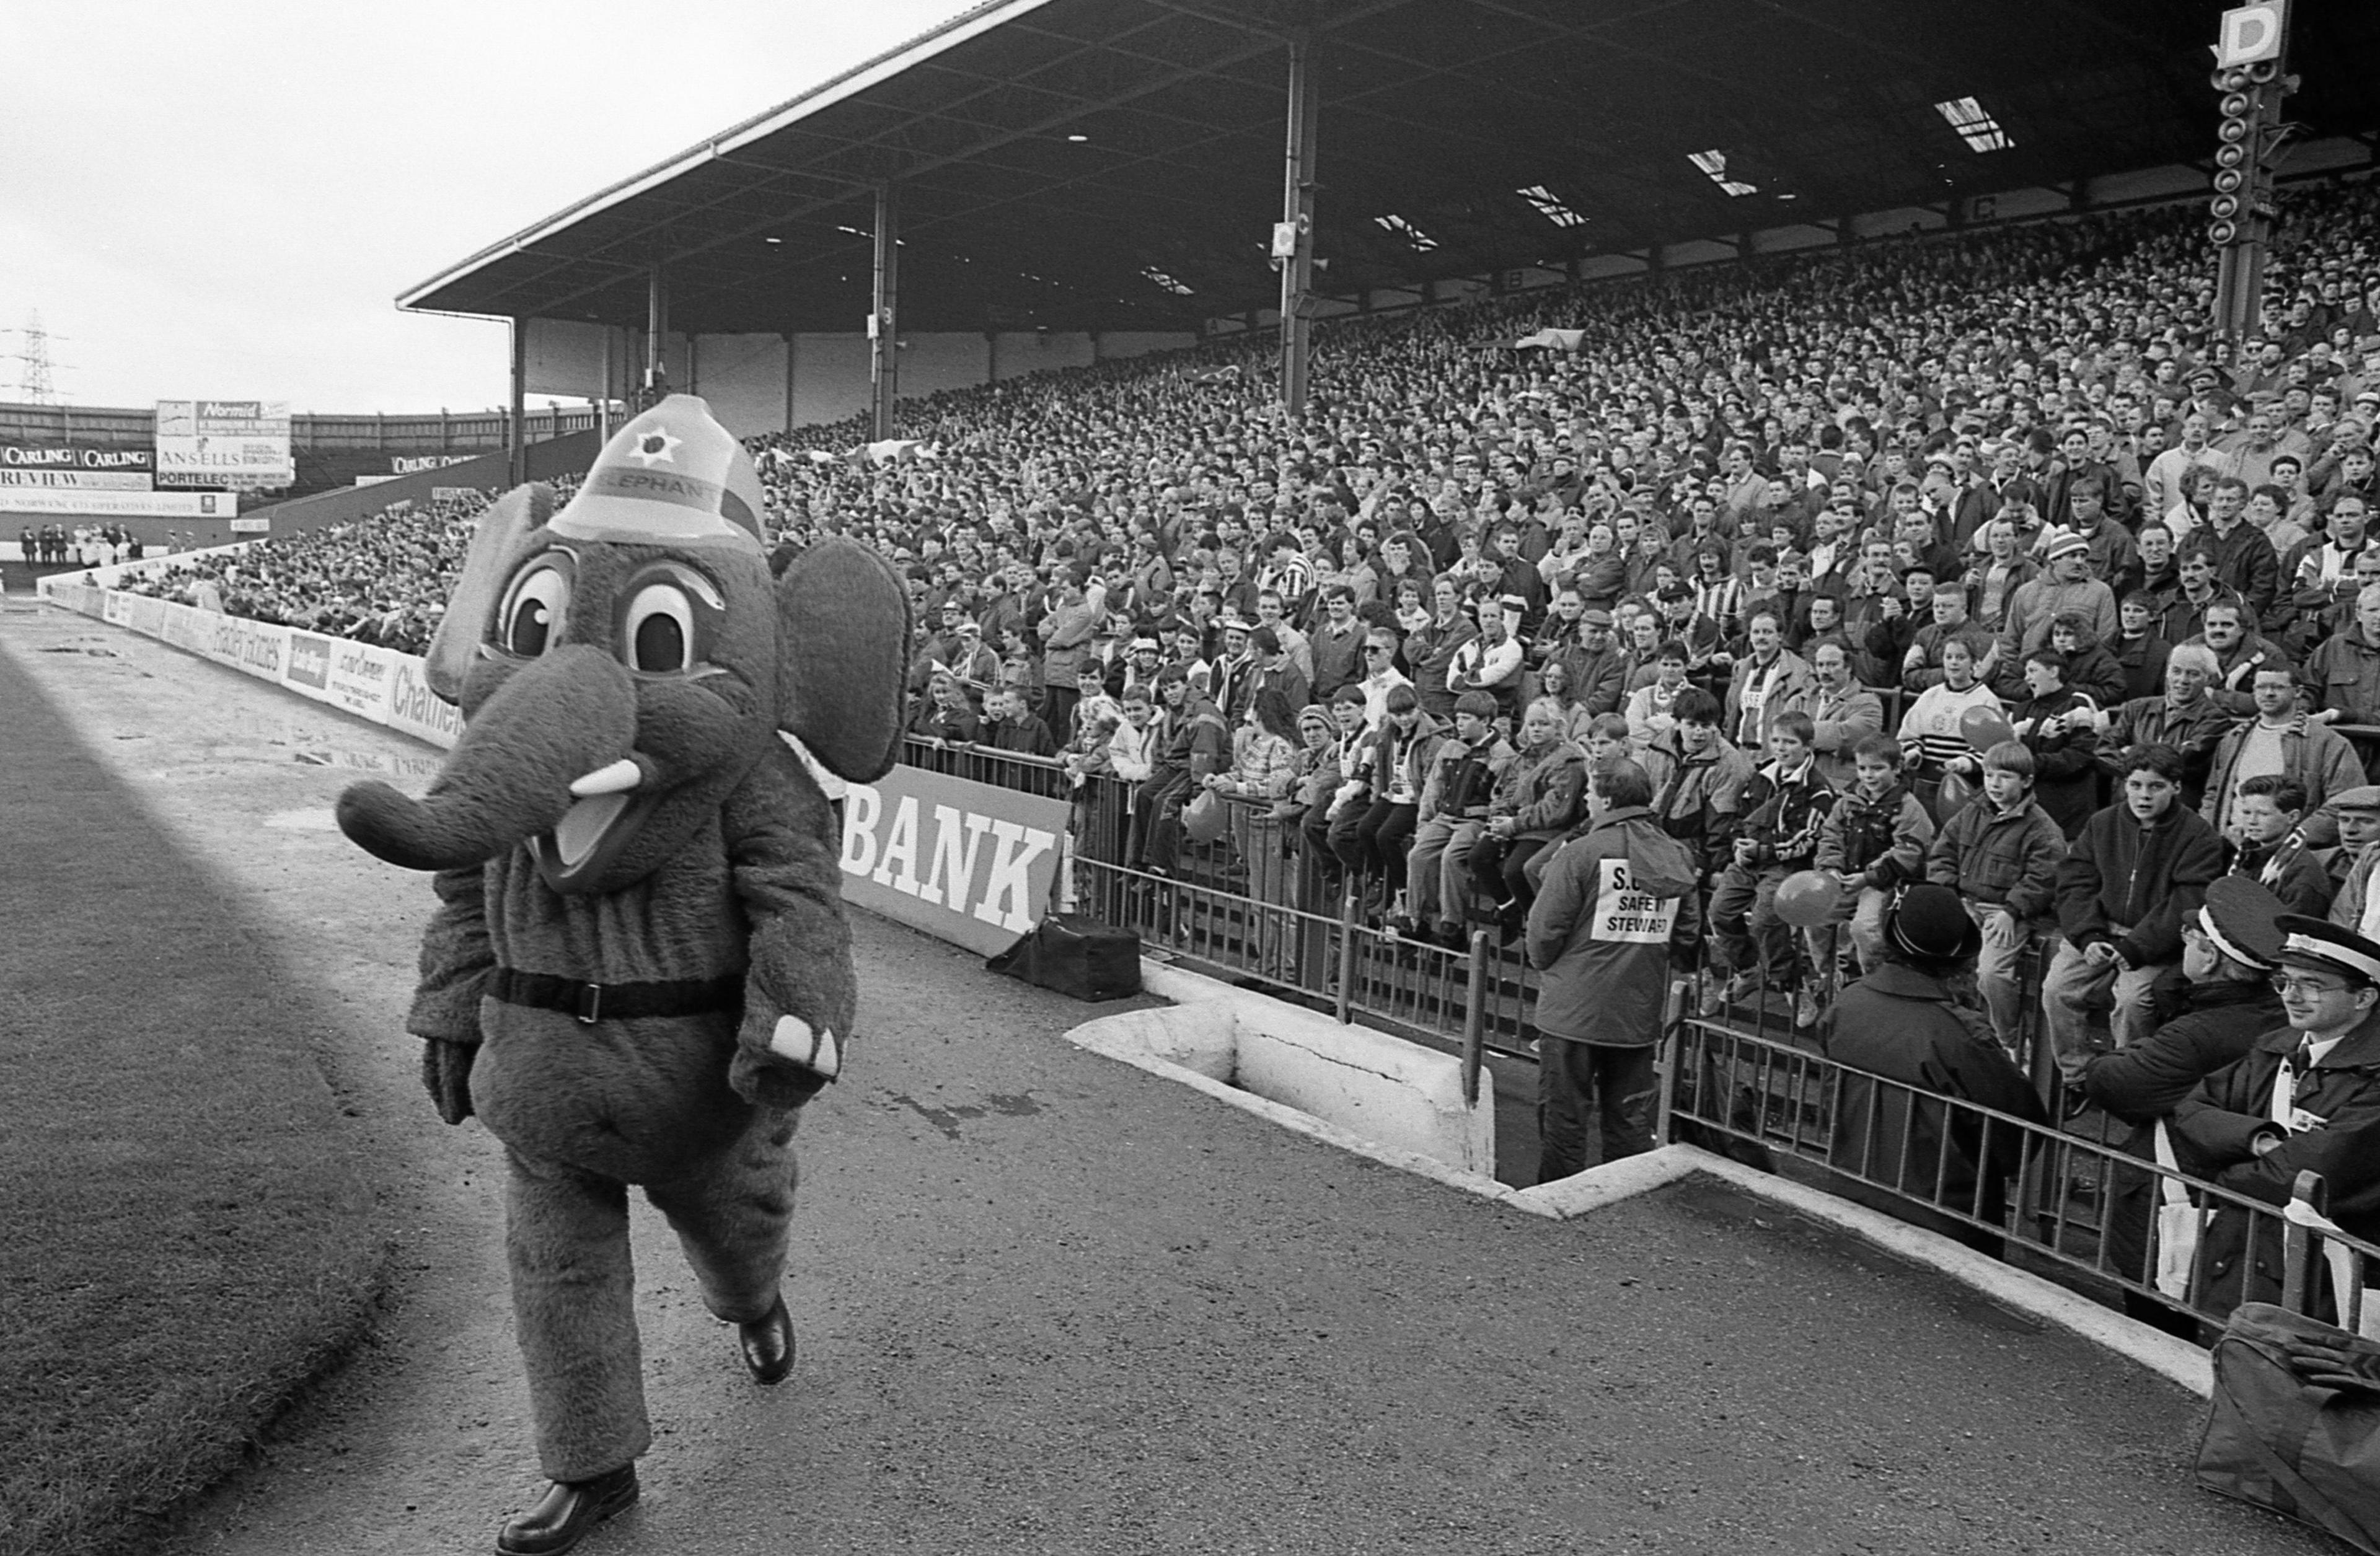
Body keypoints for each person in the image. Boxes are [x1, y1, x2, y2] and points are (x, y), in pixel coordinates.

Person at [2078, 879, 2286, 1334]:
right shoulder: (2272, 1014)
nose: (2183, 944)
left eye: (2191, 940)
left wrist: (2118, 1055)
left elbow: (2110, 1081)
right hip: (2230, 1197)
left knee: (2159, 1319)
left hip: (2174, 1197)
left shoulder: (2195, 1036)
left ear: (2210, 957)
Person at [1818, 883, 2049, 1256]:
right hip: (1947, 1220)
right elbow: (2020, 1130)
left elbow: (1832, 1100)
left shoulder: (1847, 1004)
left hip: (1853, 1192)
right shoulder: (1960, 1035)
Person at [2174, 916, 2380, 1322]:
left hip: (2327, 1293)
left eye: (2312, 985)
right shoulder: (2275, 1049)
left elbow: (2308, 1176)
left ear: (2364, 997)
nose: (2292, 995)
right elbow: (2192, 1113)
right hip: (2243, 1262)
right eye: (2284, 981)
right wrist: (2258, 1140)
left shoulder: (2372, 1073)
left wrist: (2221, 1172)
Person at [1525, 757, 1702, 1180]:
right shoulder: (1676, 855)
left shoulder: (1581, 852)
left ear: (1606, 799)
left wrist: (1552, 968)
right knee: (1629, 1123)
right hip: (1637, 1013)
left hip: (1573, 1011)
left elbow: (1543, 931)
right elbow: (1688, 932)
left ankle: (1556, 1199)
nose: (1584, 798)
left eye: (1589, 792)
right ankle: (1622, 1206)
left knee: (1564, 1120)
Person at [2043, 744, 2226, 1090]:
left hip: (2153, 942)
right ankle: (2078, 1077)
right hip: (2099, 930)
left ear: (2175, 787)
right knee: (2057, 989)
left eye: (2156, 787)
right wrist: (2088, 936)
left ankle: (2127, 1084)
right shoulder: (2103, 823)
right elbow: (2076, 882)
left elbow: (2186, 901)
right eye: (2135, 785)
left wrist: (2136, 948)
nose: (2144, 796)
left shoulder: (2198, 834)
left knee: (2133, 1002)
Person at [1926, 741, 2068, 1055]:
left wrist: (2012, 910)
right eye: (1990, 775)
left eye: (2005, 777)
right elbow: (1942, 854)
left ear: (2027, 781)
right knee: (1927, 957)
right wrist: (1951, 895)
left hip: (2006, 912)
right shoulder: (1972, 810)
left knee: (1992, 973)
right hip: (1962, 902)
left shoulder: (2042, 829)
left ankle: (2010, 1040)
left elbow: (2044, 878)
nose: (1995, 784)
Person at [1704, 709, 1835, 1026]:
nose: (1781, 748)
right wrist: (1738, 845)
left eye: (1789, 742)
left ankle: (1790, 983)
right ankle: (1749, 970)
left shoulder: (1817, 789)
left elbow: (1807, 840)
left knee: (1765, 918)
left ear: (1808, 747)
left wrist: (1763, 850)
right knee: (1720, 911)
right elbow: (1741, 816)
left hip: (1786, 865)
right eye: (1775, 740)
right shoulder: (1761, 776)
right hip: (1749, 859)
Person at [1810, 734, 1934, 978]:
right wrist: (1831, 868)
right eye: (1862, 768)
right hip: (1848, 877)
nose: (1869, 775)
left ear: (1897, 768)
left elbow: (1908, 853)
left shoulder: (1908, 807)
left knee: (1865, 928)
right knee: (1815, 914)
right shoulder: (1849, 800)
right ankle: (1829, 976)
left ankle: (1875, 979)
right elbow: (1830, 834)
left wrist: (1868, 878)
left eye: (1878, 769)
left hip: (1886, 884)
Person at [2201, 664, 2365, 848]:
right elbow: (2213, 794)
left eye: (2278, 687)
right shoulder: (2235, 738)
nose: (2268, 693)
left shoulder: (2327, 743)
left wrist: (2293, 840)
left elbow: (2344, 801)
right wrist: (2213, 833)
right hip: (2231, 846)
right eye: (2261, 687)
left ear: (2298, 692)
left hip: (2292, 854)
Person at [1399, 691, 1511, 947]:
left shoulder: (1502, 754)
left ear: (1484, 721)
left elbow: (1501, 796)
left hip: (1475, 818)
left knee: (1452, 857)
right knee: (1418, 854)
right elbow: (1433, 788)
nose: (1459, 723)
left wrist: (1492, 827)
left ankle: (1453, 924)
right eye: (1458, 718)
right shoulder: (1451, 747)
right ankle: (1415, 918)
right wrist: (1425, 822)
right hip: (1445, 815)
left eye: (1466, 718)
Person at [1470, 697, 1587, 939]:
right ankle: (1509, 909)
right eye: (1531, 724)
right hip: (1520, 822)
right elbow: (1509, 792)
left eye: (1543, 724)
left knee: (1516, 870)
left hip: (1548, 828)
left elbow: (1556, 810)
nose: (1536, 729)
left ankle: (1537, 924)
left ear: (1558, 727)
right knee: (1479, 856)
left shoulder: (1569, 761)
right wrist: (1499, 818)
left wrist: (1514, 825)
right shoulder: (1526, 756)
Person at [2228, 775, 2336, 916]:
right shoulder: (2245, 855)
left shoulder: (2302, 874)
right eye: (2247, 813)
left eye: (2263, 814)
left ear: (2292, 817)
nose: (2252, 821)